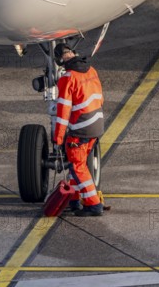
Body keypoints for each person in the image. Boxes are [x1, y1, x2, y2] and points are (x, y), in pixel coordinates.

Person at [53, 43, 105, 216]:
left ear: (60, 61)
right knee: (79, 165)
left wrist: (58, 138)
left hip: (81, 130)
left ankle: (94, 205)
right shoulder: (91, 70)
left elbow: (62, 113)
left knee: (77, 167)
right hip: (97, 125)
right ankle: (74, 201)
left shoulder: (67, 78)